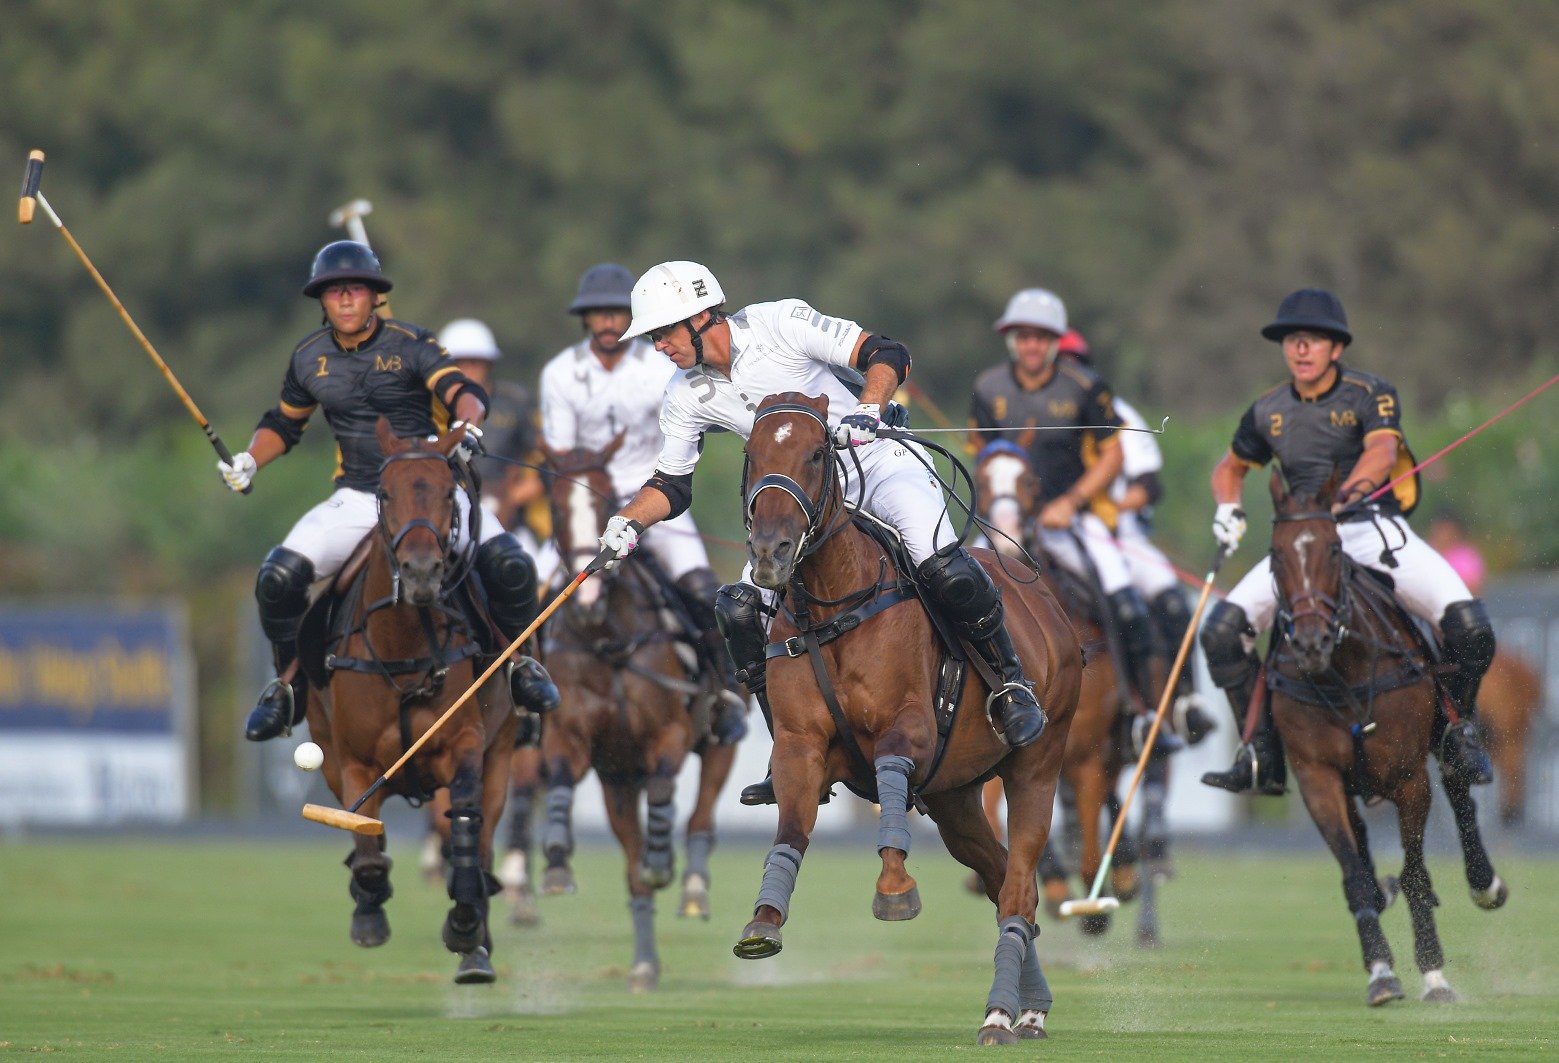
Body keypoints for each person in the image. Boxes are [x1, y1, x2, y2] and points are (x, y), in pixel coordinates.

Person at [593, 261, 1048, 806]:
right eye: (652, 338)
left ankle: (1010, 684)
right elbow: (673, 481)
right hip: (806, 504)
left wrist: (868, 407)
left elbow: (885, 353)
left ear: (700, 317)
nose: (659, 347)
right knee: (739, 609)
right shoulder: (685, 392)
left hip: (878, 462)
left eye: (662, 333)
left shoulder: (778, 324)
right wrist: (627, 521)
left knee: (939, 563)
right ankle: (781, 742)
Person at [218, 240, 557, 741]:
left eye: (356, 289)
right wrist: (249, 458)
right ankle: (287, 686)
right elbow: (284, 425)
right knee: (277, 579)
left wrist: (471, 421)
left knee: (512, 566)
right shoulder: (309, 358)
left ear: (375, 295)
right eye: (335, 292)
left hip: (428, 491)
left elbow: (463, 391)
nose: (347, 299)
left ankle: (520, 667)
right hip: (358, 496)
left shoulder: (412, 343)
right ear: (322, 301)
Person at [1199, 288, 1495, 793]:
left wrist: (1350, 493)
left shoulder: (1369, 392)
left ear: (1336, 348)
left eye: (1313, 340)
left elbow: (1381, 450)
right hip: (1302, 542)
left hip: (1368, 530)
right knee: (1222, 632)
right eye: (1292, 340)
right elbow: (1230, 468)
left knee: (1469, 626)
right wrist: (1228, 506)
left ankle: (1455, 733)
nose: (1301, 349)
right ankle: (1262, 752)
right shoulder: (1267, 408)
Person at [539, 262, 747, 744]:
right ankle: (530, 695)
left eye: (617, 313)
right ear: (585, 319)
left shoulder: (662, 365)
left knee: (700, 587)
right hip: (586, 505)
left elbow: (683, 436)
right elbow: (563, 455)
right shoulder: (559, 375)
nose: (609, 322)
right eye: (599, 313)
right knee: (541, 592)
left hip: (656, 497)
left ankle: (724, 691)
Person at [969, 290, 1166, 719]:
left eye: (1041, 337)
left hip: (1072, 521)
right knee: (945, 582)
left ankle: (1139, 710)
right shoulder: (988, 388)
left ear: (1056, 340)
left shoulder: (1085, 388)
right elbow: (980, 452)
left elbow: (1113, 455)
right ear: (1012, 340)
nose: (1032, 345)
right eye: (1024, 336)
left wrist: (1072, 502)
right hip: (1003, 519)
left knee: (1123, 600)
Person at [1057, 328, 1214, 749]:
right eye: (1061, 366)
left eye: (1075, 364)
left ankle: (1182, 702)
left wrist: (1111, 507)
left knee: (1171, 601)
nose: (1068, 373)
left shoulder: (1119, 414)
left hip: (1118, 534)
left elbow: (1149, 484)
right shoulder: (1034, 412)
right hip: (1056, 531)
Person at [437, 318, 559, 587]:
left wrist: (520, 493)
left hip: (510, 522)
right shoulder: (431, 409)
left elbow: (548, 458)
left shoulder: (515, 402)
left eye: (476, 362)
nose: (468, 369)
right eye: (461, 362)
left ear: (489, 364)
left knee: (537, 580)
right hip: (446, 516)